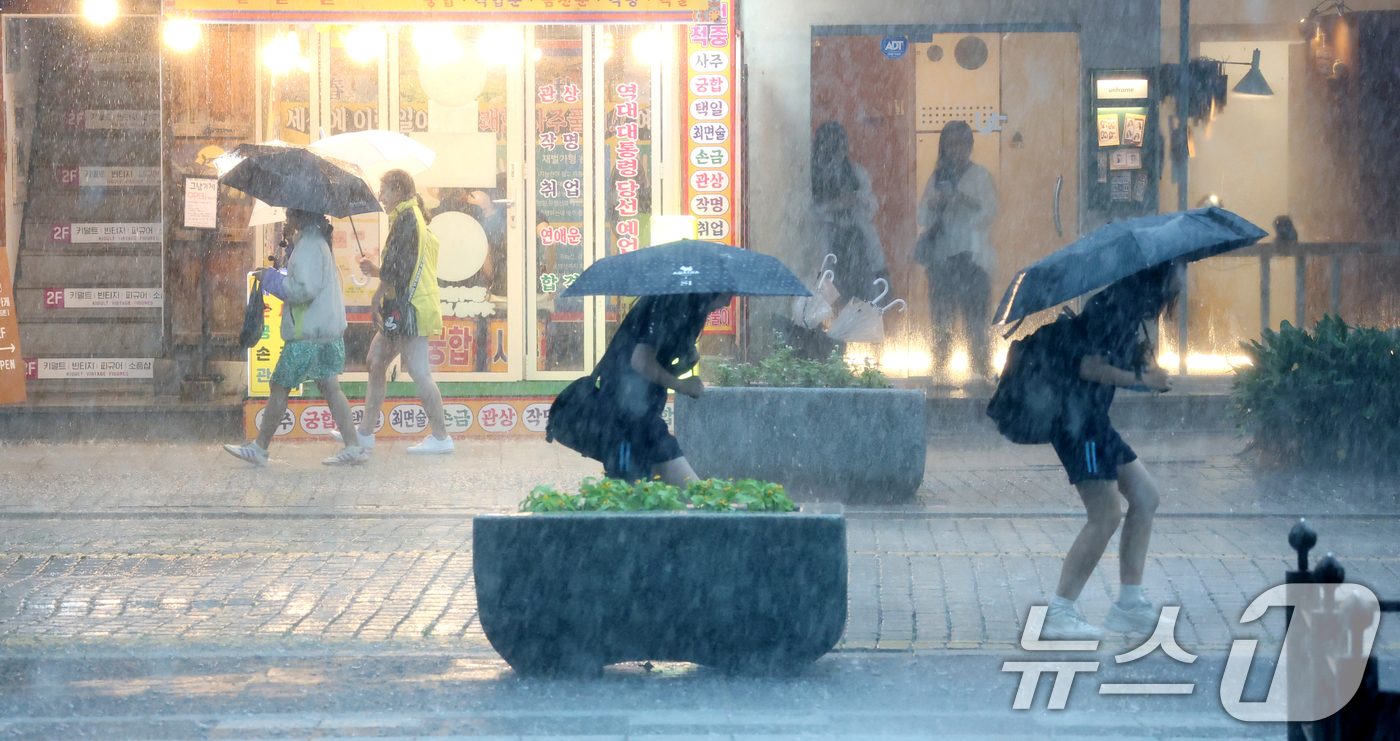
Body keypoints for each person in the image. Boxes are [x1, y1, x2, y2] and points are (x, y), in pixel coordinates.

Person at [1039, 262, 1180, 640]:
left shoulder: (1130, 309)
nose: (1183, 279)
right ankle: (1058, 612)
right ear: (1159, 276)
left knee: (1146, 497)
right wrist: (1141, 379)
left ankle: (1129, 606)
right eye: (1180, 270)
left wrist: (1142, 363)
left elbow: (1108, 360)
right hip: (1076, 423)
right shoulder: (1114, 306)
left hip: (1093, 419)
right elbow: (1088, 366)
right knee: (1104, 515)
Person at [225, 209, 367, 467]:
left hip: (307, 334)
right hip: (325, 332)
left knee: (280, 386)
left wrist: (270, 280)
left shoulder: (309, 245)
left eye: (289, 217)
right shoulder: (317, 242)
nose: (286, 222)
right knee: (331, 389)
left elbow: (303, 290)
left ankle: (259, 448)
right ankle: (354, 447)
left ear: (298, 218)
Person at [337, 169, 453, 455]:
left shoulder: (407, 221)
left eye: (384, 191)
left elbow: (400, 271)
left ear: (399, 190)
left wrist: (377, 281)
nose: (381, 197)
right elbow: (402, 268)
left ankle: (441, 437)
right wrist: (378, 280)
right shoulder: (408, 218)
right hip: (406, 307)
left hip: (408, 308)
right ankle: (365, 432)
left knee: (418, 371)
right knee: (376, 360)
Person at [564, 293, 731, 485]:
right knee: (684, 494)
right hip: (626, 415)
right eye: (727, 295)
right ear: (710, 290)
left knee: (635, 497)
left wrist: (684, 358)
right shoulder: (666, 307)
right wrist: (682, 385)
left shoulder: (681, 310)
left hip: (641, 413)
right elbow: (640, 361)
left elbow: (652, 367)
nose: (727, 303)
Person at [916, 120, 998, 381]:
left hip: (973, 260)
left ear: (970, 145)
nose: (956, 149)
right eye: (951, 144)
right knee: (941, 325)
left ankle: (982, 379)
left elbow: (991, 212)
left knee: (976, 326)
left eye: (962, 143)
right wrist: (934, 202)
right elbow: (921, 217)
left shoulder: (981, 174)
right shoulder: (938, 177)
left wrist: (964, 201)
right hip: (942, 260)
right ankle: (939, 379)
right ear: (944, 147)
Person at [809, 121, 888, 305]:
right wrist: (832, 206)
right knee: (827, 300)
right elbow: (803, 213)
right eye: (834, 147)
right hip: (828, 242)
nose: (839, 153)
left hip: (856, 242)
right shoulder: (811, 174)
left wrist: (857, 198)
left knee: (861, 301)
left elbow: (873, 207)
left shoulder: (856, 172)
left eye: (842, 146)